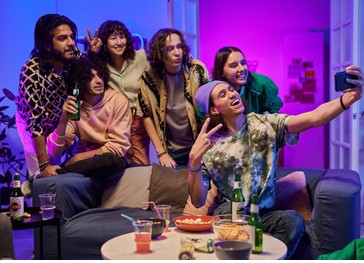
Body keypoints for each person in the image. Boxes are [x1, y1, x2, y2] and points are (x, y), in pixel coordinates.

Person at [187, 66, 364, 259]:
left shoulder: (266, 124)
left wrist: (346, 100)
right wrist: (193, 162)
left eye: (230, 89)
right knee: (232, 224)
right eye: (222, 94)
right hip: (229, 215)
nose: (231, 94)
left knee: (293, 220)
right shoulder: (208, 145)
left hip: (264, 216)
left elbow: (313, 118)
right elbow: (198, 200)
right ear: (214, 109)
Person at [15, 14, 79, 177]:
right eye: (63, 38)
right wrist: (43, 166)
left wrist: (94, 52)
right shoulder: (31, 72)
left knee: (58, 172)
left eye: (72, 37)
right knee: (41, 176)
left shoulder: (73, 59)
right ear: (47, 45)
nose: (71, 43)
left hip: (57, 122)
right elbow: (35, 124)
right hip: (32, 125)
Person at [46, 56, 132, 171]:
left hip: (110, 160)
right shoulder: (76, 105)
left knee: (108, 160)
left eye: (100, 75)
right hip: (85, 164)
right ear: (80, 82)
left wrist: (79, 157)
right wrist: (63, 122)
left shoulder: (118, 101)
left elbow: (118, 147)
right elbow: (54, 151)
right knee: (56, 173)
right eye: (90, 77)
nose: (98, 81)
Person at [139, 28, 209, 169]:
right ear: (159, 52)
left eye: (179, 47)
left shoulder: (197, 70)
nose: (177, 53)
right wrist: (161, 153)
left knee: (202, 186)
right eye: (170, 49)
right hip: (172, 149)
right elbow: (145, 116)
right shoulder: (149, 77)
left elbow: (209, 107)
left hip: (199, 143)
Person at [85, 20, 150, 165]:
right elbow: (83, 73)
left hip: (137, 120)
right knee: (117, 165)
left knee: (140, 164)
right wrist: (92, 53)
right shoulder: (101, 66)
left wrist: (185, 58)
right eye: (113, 38)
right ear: (104, 42)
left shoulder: (139, 57)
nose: (119, 42)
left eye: (122, 36)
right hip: (112, 122)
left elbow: (159, 62)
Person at [211, 46, 283, 115]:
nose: (242, 68)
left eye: (243, 63)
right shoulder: (211, 92)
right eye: (234, 65)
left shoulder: (262, 85)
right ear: (222, 72)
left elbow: (274, 109)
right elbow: (203, 116)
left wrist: (261, 121)